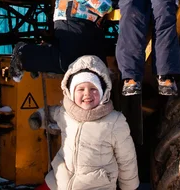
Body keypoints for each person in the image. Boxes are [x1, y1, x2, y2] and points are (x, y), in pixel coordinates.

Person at [29, 55, 139, 190]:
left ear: (103, 92)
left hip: (96, 186)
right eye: (81, 89)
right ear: (71, 92)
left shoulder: (114, 121)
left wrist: (129, 187)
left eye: (94, 89)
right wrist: (39, 117)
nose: (87, 94)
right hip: (61, 180)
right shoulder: (66, 113)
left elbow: (127, 160)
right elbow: (52, 113)